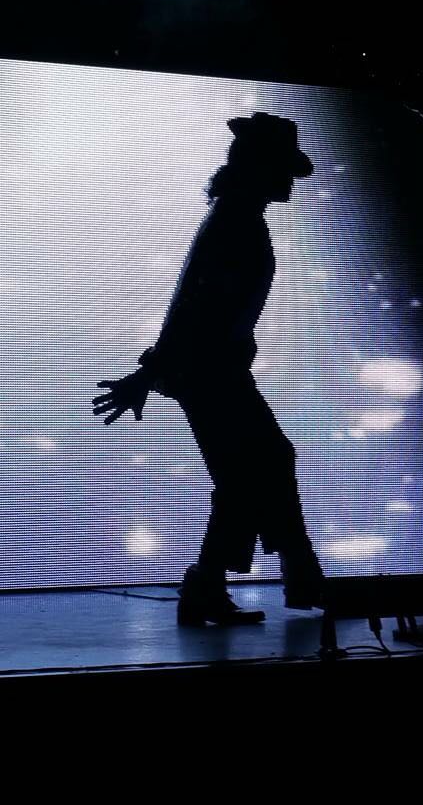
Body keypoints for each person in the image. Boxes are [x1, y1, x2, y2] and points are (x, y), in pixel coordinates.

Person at [92, 112, 325, 626]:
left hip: (209, 367)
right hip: (209, 369)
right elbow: (196, 306)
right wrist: (150, 371)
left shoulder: (236, 216)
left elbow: (194, 303)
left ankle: (253, 580)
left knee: (250, 472)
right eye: (283, 168)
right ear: (262, 168)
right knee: (258, 466)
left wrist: (153, 371)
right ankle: (286, 575)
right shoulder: (236, 222)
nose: (290, 180)